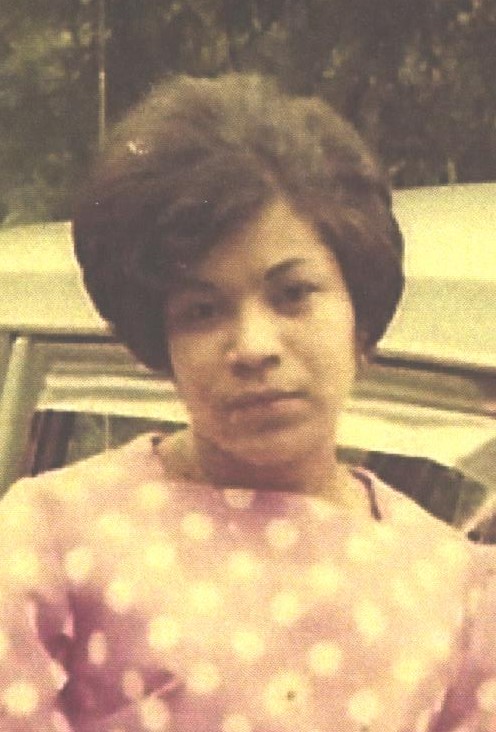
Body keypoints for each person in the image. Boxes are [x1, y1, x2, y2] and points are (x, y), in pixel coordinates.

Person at [0, 73, 495, 732]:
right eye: (203, 310)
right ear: (159, 340)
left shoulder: (456, 586)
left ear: (360, 309)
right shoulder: (51, 536)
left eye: (293, 295)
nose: (254, 346)